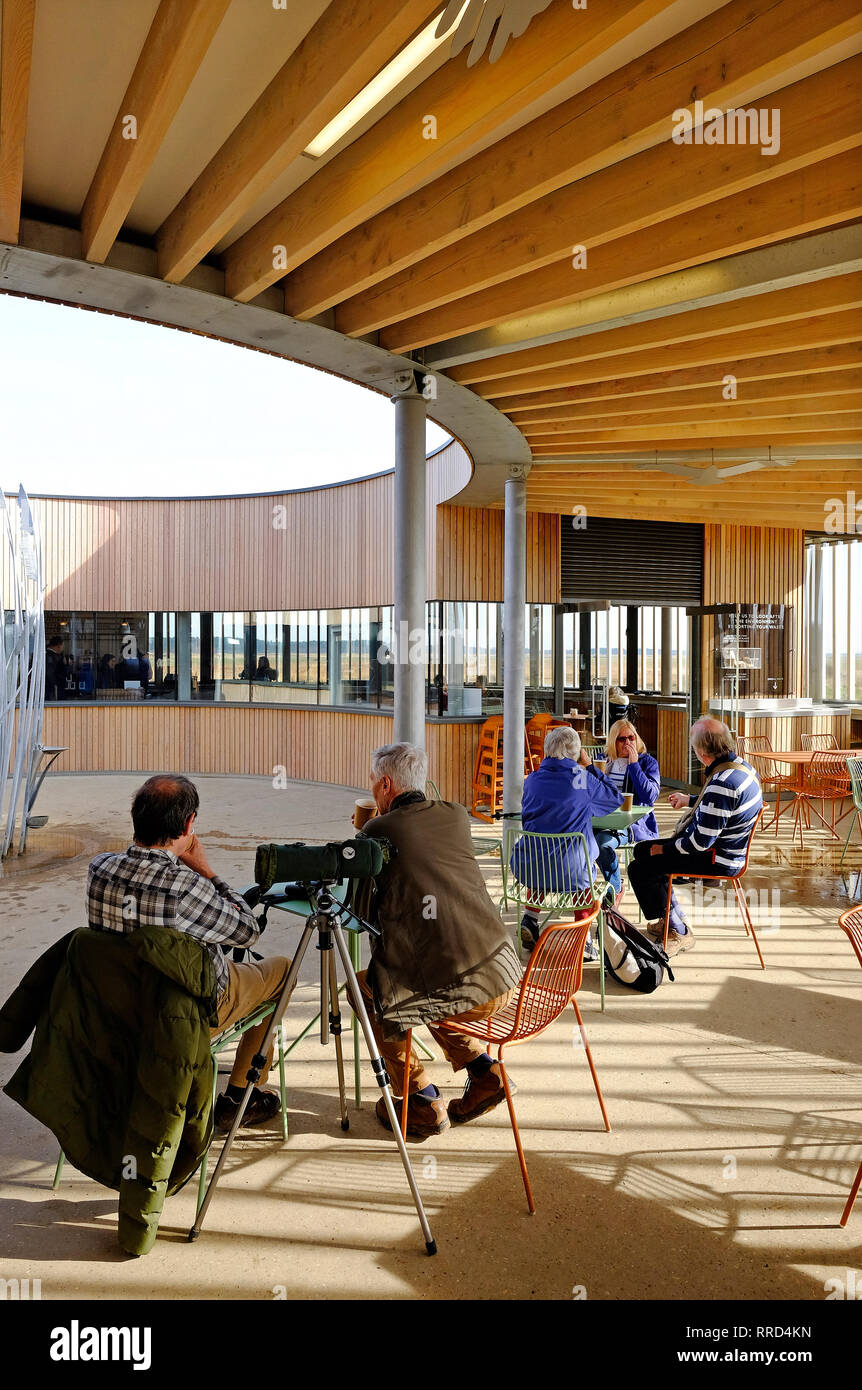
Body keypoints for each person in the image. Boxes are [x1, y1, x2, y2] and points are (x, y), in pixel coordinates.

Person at [87, 774, 293, 1130]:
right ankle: (242, 1095)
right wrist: (208, 872)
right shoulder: (187, 886)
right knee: (284, 971)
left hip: (116, 1010)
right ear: (188, 824)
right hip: (182, 1019)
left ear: (136, 818)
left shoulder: (99, 869)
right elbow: (248, 932)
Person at [350, 742, 522, 1139]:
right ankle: (485, 1073)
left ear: (386, 785)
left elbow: (359, 913)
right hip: (502, 975)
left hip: (466, 991)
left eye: (374, 784)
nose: (373, 790)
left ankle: (419, 1101)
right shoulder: (456, 815)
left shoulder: (378, 829)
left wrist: (362, 840)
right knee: (431, 980)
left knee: (370, 991)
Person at [628, 717, 763, 957]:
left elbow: (698, 843)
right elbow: (723, 808)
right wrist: (690, 800)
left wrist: (664, 850)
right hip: (729, 849)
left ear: (701, 751)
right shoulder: (741, 768)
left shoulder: (722, 784)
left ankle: (677, 929)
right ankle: (672, 917)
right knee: (642, 851)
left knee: (641, 867)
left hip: (717, 859)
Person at [512, 725, 622, 954]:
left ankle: (530, 918)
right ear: (576, 753)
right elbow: (614, 797)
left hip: (529, 867)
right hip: (571, 872)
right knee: (578, 865)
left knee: (544, 853)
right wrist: (591, 767)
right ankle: (583, 940)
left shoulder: (531, 780)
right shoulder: (580, 778)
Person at [593, 719, 660, 896]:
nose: (628, 742)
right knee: (577, 840)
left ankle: (615, 888)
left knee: (602, 844)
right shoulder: (603, 760)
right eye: (622, 739)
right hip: (600, 819)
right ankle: (583, 888)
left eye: (631, 737)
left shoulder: (647, 763)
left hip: (631, 824)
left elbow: (650, 796)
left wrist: (634, 765)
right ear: (613, 742)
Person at [45, 636, 66, 701]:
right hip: (51, 688)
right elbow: (49, 673)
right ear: (59, 646)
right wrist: (55, 685)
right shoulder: (50, 656)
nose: (63, 648)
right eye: (62, 646)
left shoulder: (53, 655)